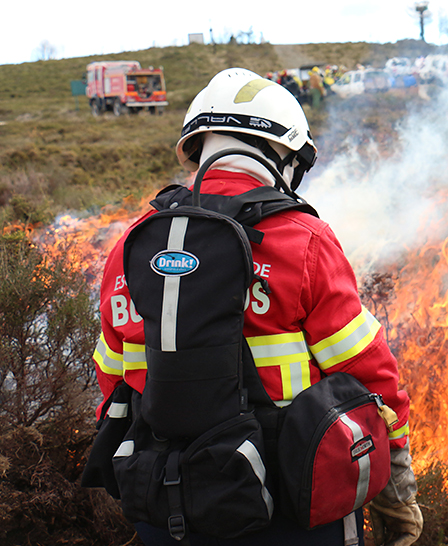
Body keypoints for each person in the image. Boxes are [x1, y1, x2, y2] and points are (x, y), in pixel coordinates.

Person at [91, 68, 423, 546]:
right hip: (288, 506)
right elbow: (372, 380)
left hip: (167, 505)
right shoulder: (304, 241)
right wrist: (397, 492)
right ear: (283, 156)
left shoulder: (132, 246)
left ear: (196, 147)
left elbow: (112, 382)